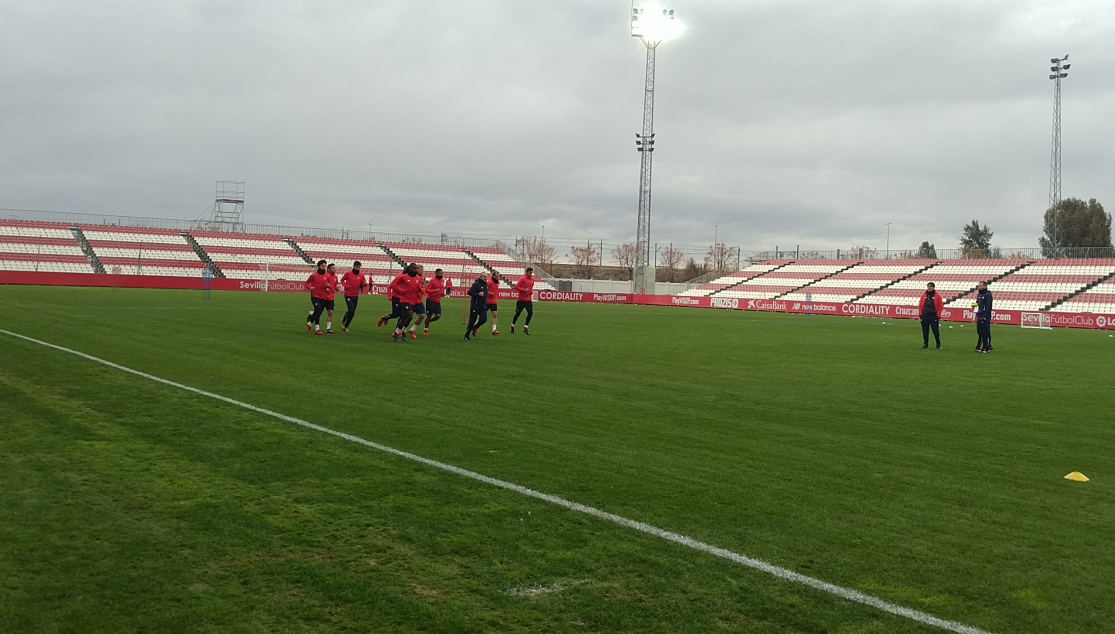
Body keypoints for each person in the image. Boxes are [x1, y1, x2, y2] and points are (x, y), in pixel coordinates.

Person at [388, 263, 424, 342]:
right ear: (409, 269)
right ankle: (403, 331)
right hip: (405, 300)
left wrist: (420, 290)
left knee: (404, 317)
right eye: (413, 269)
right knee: (410, 316)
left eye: (415, 269)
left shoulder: (419, 278)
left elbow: (419, 288)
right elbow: (395, 285)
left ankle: (397, 332)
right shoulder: (403, 277)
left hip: (413, 300)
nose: (414, 270)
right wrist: (401, 291)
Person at [304, 259, 330, 336]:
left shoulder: (327, 276)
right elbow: (307, 283)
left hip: (323, 296)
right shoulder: (314, 276)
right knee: (318, 309)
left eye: (325, 265)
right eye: (322, 265)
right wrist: (310, 288)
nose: (324, 267)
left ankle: (309, 324)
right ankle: (317, 328)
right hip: (315, 296)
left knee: (318, 312)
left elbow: (328, 286)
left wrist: (328, 288)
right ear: (318, 266)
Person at [340, 261, 366, 332]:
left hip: (355, 295)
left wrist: (365, 284)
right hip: (348, 294)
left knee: (352, 311)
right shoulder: (348, 274)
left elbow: (362, 284)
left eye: (359, 267)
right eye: (357, 267)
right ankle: (345, 325)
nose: (358, 268)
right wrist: (346, 286)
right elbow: (342, 280)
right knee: (351, 310)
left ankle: (346, 325)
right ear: (354, 267)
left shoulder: (361, 276)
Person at [510, 267, 536, 335]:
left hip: (528, 300)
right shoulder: (523, 279)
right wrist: (524, 290)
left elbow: (531, 288)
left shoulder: (533, 280)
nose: (531, 274)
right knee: (518, 313)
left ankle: (526, 327)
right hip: (521, 300)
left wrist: (531, 291)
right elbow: (516, 287)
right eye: (530, 273)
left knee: (530, 312)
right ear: (527, 272)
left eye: (531, 273)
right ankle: (513, 326)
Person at [422, 268, 448, 335]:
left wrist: (442, 293)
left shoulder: (442, 280)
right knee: (429, 315)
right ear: (436, 274)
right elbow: (426, 290)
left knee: (438, 316)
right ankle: (426, 329)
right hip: (430, 300)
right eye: (440, 273)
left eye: (442, 273)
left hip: (437, 301)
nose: (441, 275)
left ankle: (428, 322)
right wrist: (434, 291)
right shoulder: (432, 281)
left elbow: (441, 289)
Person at [918, 281, 943, 349]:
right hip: (925, 315)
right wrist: (921, 314)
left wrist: (938, 315)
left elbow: (941, 305)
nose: (929, 288)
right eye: (928, 286)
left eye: (930, 286)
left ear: (933, 287)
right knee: (925, 331)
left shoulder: (937, 295)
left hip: (933, 315)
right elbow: (920, 305)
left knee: (935, 331)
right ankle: (926, 344)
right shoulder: (924, 295)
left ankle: (938, 344)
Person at [465, 274, 489, 340]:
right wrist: (478, 294)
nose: (485, 278)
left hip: (483, 305)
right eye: (484, 277)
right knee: (472, 320)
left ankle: (475, 327)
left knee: (484, 319)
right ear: (481, 277)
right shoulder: (476, 284)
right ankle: (467, 335)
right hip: (476, 305)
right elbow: (469, 292)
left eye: (486, 277)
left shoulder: (486, 284)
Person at [974, 281, 994, 353]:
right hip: (979, 315)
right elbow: (978, 304)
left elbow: (988, 306)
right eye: (979, 286)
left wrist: (985, 316)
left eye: (981, 286)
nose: (979, 287)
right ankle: (981, 347)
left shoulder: (988, 295)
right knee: (980, 332)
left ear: (985, 286)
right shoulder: (979, 295)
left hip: (985, 316)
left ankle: (986, 347)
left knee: (986, 332)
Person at [408, 264, 427, 339]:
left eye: (423, 269)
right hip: (411, 300)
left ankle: (413, 330)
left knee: (422, 315)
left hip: (419, 301)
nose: (422, 271)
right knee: (407, 317)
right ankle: (399, 331)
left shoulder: (422, 278)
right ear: (416, 270)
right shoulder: (413, 278)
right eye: (420, 269)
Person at [322, 263, 339, 333]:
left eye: (335, 268)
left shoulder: (336, 277)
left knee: (330, 312)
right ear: (329, 269)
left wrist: (337, 288)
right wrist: (326, 288)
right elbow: (322, 284)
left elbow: (335, 285)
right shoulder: (325, 276)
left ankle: (328, 328)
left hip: (331, 297)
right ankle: (312, 314)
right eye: (333, 268)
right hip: (323, 296)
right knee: (319, 312)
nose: (335, 269)